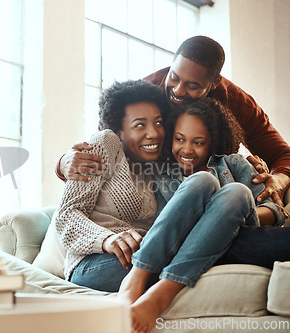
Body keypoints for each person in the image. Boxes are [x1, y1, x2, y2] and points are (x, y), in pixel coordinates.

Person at [56, 35, 290, 209]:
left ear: (215, 82)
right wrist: (63, 163)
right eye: (174, 77)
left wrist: (278, 179)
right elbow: (100, 145)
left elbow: (283, 155)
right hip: (153, 199)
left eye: (192, 86)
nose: (177, 90)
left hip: (217, 197)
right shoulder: (143, 96)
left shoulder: (239, 104)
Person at [120, 97, 285, 333]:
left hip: (241, 224)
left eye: (198, 142)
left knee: (235, 191)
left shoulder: (234, 164)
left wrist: (222, 215)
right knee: (202, 181)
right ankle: (134, 280)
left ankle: (163, 292)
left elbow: (275, 210)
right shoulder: (163, 174)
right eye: (179, 139)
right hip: (194, 241)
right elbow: (170, 224)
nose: (186, 150)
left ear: (213, 143)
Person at [54, 80, 169, 292]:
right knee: (174, 264)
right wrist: (107, 238)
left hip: (142, 255)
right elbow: (67, 215)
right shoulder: (105, 143)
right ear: (117, 131)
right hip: (93, 264)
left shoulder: (158, 166)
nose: (154, 133)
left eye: (159, 123)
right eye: (140, 125)